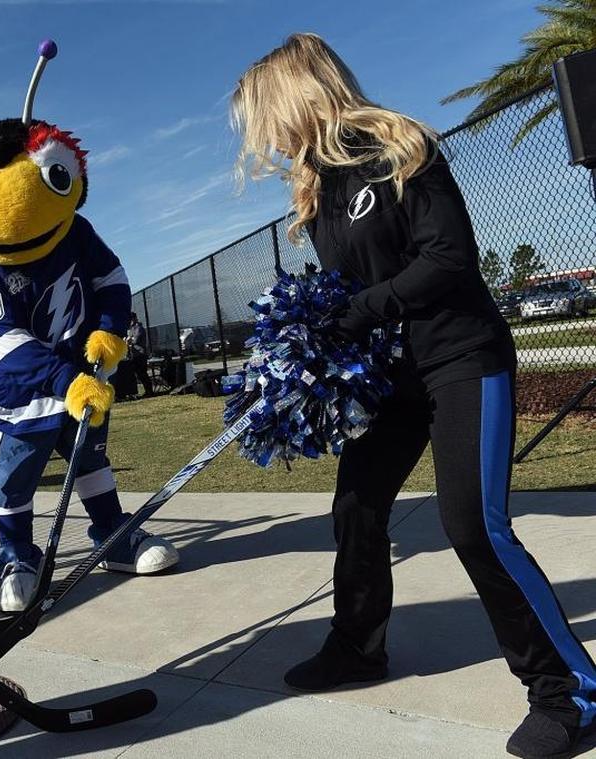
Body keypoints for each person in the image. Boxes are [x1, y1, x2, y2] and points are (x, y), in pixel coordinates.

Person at [232, 33, 595, 759]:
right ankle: (358, 647)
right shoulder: (318, 188)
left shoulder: (396, 145)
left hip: (462, 357)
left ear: (295, 92)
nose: (262, 134)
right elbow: (347, 294)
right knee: (357, 506)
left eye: (262, 112)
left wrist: (360, 312)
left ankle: (569, 692)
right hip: (392, 378)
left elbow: (449, 257)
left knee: (476, 524)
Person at [126, 312, 154, 397]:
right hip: (134, 355)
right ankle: (147, 391)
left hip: (140, 355)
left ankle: (150, 392)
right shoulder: (131, 328)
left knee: (143, 374)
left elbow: (135, 340)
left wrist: (129, 340)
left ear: (133, 319)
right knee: (139, 374)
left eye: (130, 319)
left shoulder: (138, 327)